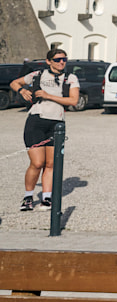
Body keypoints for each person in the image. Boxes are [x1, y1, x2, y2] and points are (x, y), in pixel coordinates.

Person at [12, 48, 79, 211]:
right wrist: (22, 90)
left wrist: (48, 95)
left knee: (51, 164)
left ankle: (46, 198)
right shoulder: (37, 75)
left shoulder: (70, 78)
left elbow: (73, 100)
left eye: (64, 59)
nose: (62, 62)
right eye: (57, 60)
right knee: (37, 163)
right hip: (36, 121)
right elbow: (14, 83)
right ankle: (28, 197)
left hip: (57, 124)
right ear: (49, 61)